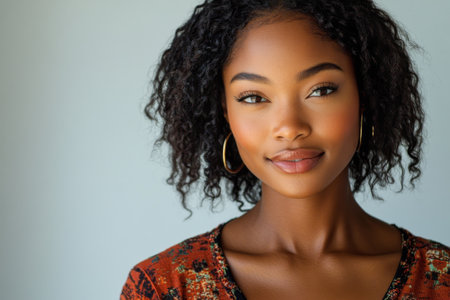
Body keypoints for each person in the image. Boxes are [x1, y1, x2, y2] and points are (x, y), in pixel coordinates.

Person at [121, 0, 449, 299]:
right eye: (253, 97)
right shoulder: (163, 287)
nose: (290, 127)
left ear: (364, 95)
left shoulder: (441, 281)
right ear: (225, 111)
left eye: (321, 90)